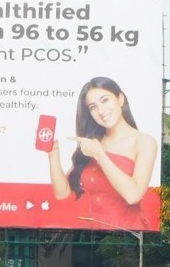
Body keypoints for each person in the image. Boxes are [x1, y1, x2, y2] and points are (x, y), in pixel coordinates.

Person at [46, 76, 159, 230]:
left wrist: (100, 155)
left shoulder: (144, 142)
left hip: (128, 235)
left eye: (105, 100)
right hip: (93, 232)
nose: (100, 111)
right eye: (93, 107)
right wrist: (53, 154)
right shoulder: (94, 142)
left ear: (120, 99)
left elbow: (133, 195)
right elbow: (62, 193)